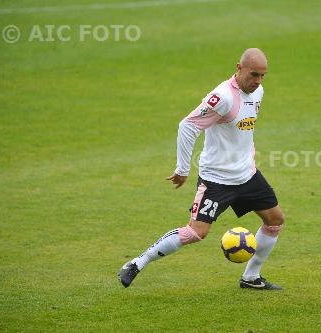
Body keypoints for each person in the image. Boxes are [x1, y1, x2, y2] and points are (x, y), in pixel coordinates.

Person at [119, 48, 285, 290]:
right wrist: (183, 168)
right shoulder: (222, 97)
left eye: (262, 75)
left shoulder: (258, 91)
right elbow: (187, 126)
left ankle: (251, 277)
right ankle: (137, 263)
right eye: (253, 75)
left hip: (247, 175)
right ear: (239, 68)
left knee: (275, 221)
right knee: (196, 232)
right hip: (216, 180)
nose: (258, 81)